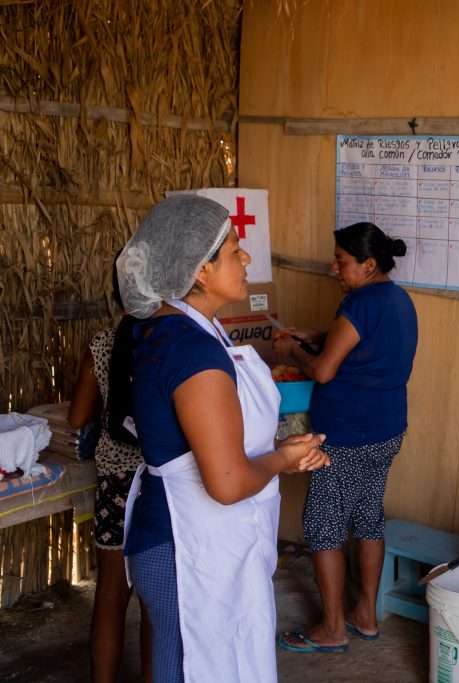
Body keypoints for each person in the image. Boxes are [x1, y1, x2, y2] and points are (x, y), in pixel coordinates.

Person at [117, 194, 329, 683]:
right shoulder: (191, 351)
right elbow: (228, 483)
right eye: (234, 249)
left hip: (195, 540)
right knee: (193, 666)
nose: (246, 257)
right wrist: (283, 460)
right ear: (199, 272)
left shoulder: (180, 330)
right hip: (185, 548)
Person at [274, 221, 418, 653]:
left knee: (323, 526)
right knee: (369, 517)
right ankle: (366, 616)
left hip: (346, 435)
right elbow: (368, 349)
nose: (335, 269)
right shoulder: (398, 299)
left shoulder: (358, 305)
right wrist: (318, 336)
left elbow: (323, 371)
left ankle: (332, 628)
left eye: (341, 262)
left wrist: (293, 350)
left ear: (368, 264)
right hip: (387, 429)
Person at [67, 260, 150, 683]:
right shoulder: (167, 343)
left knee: (111, 597)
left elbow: (78, 416)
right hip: (159, 483)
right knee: (157, 601)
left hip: (117, 485)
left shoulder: (102, 344)